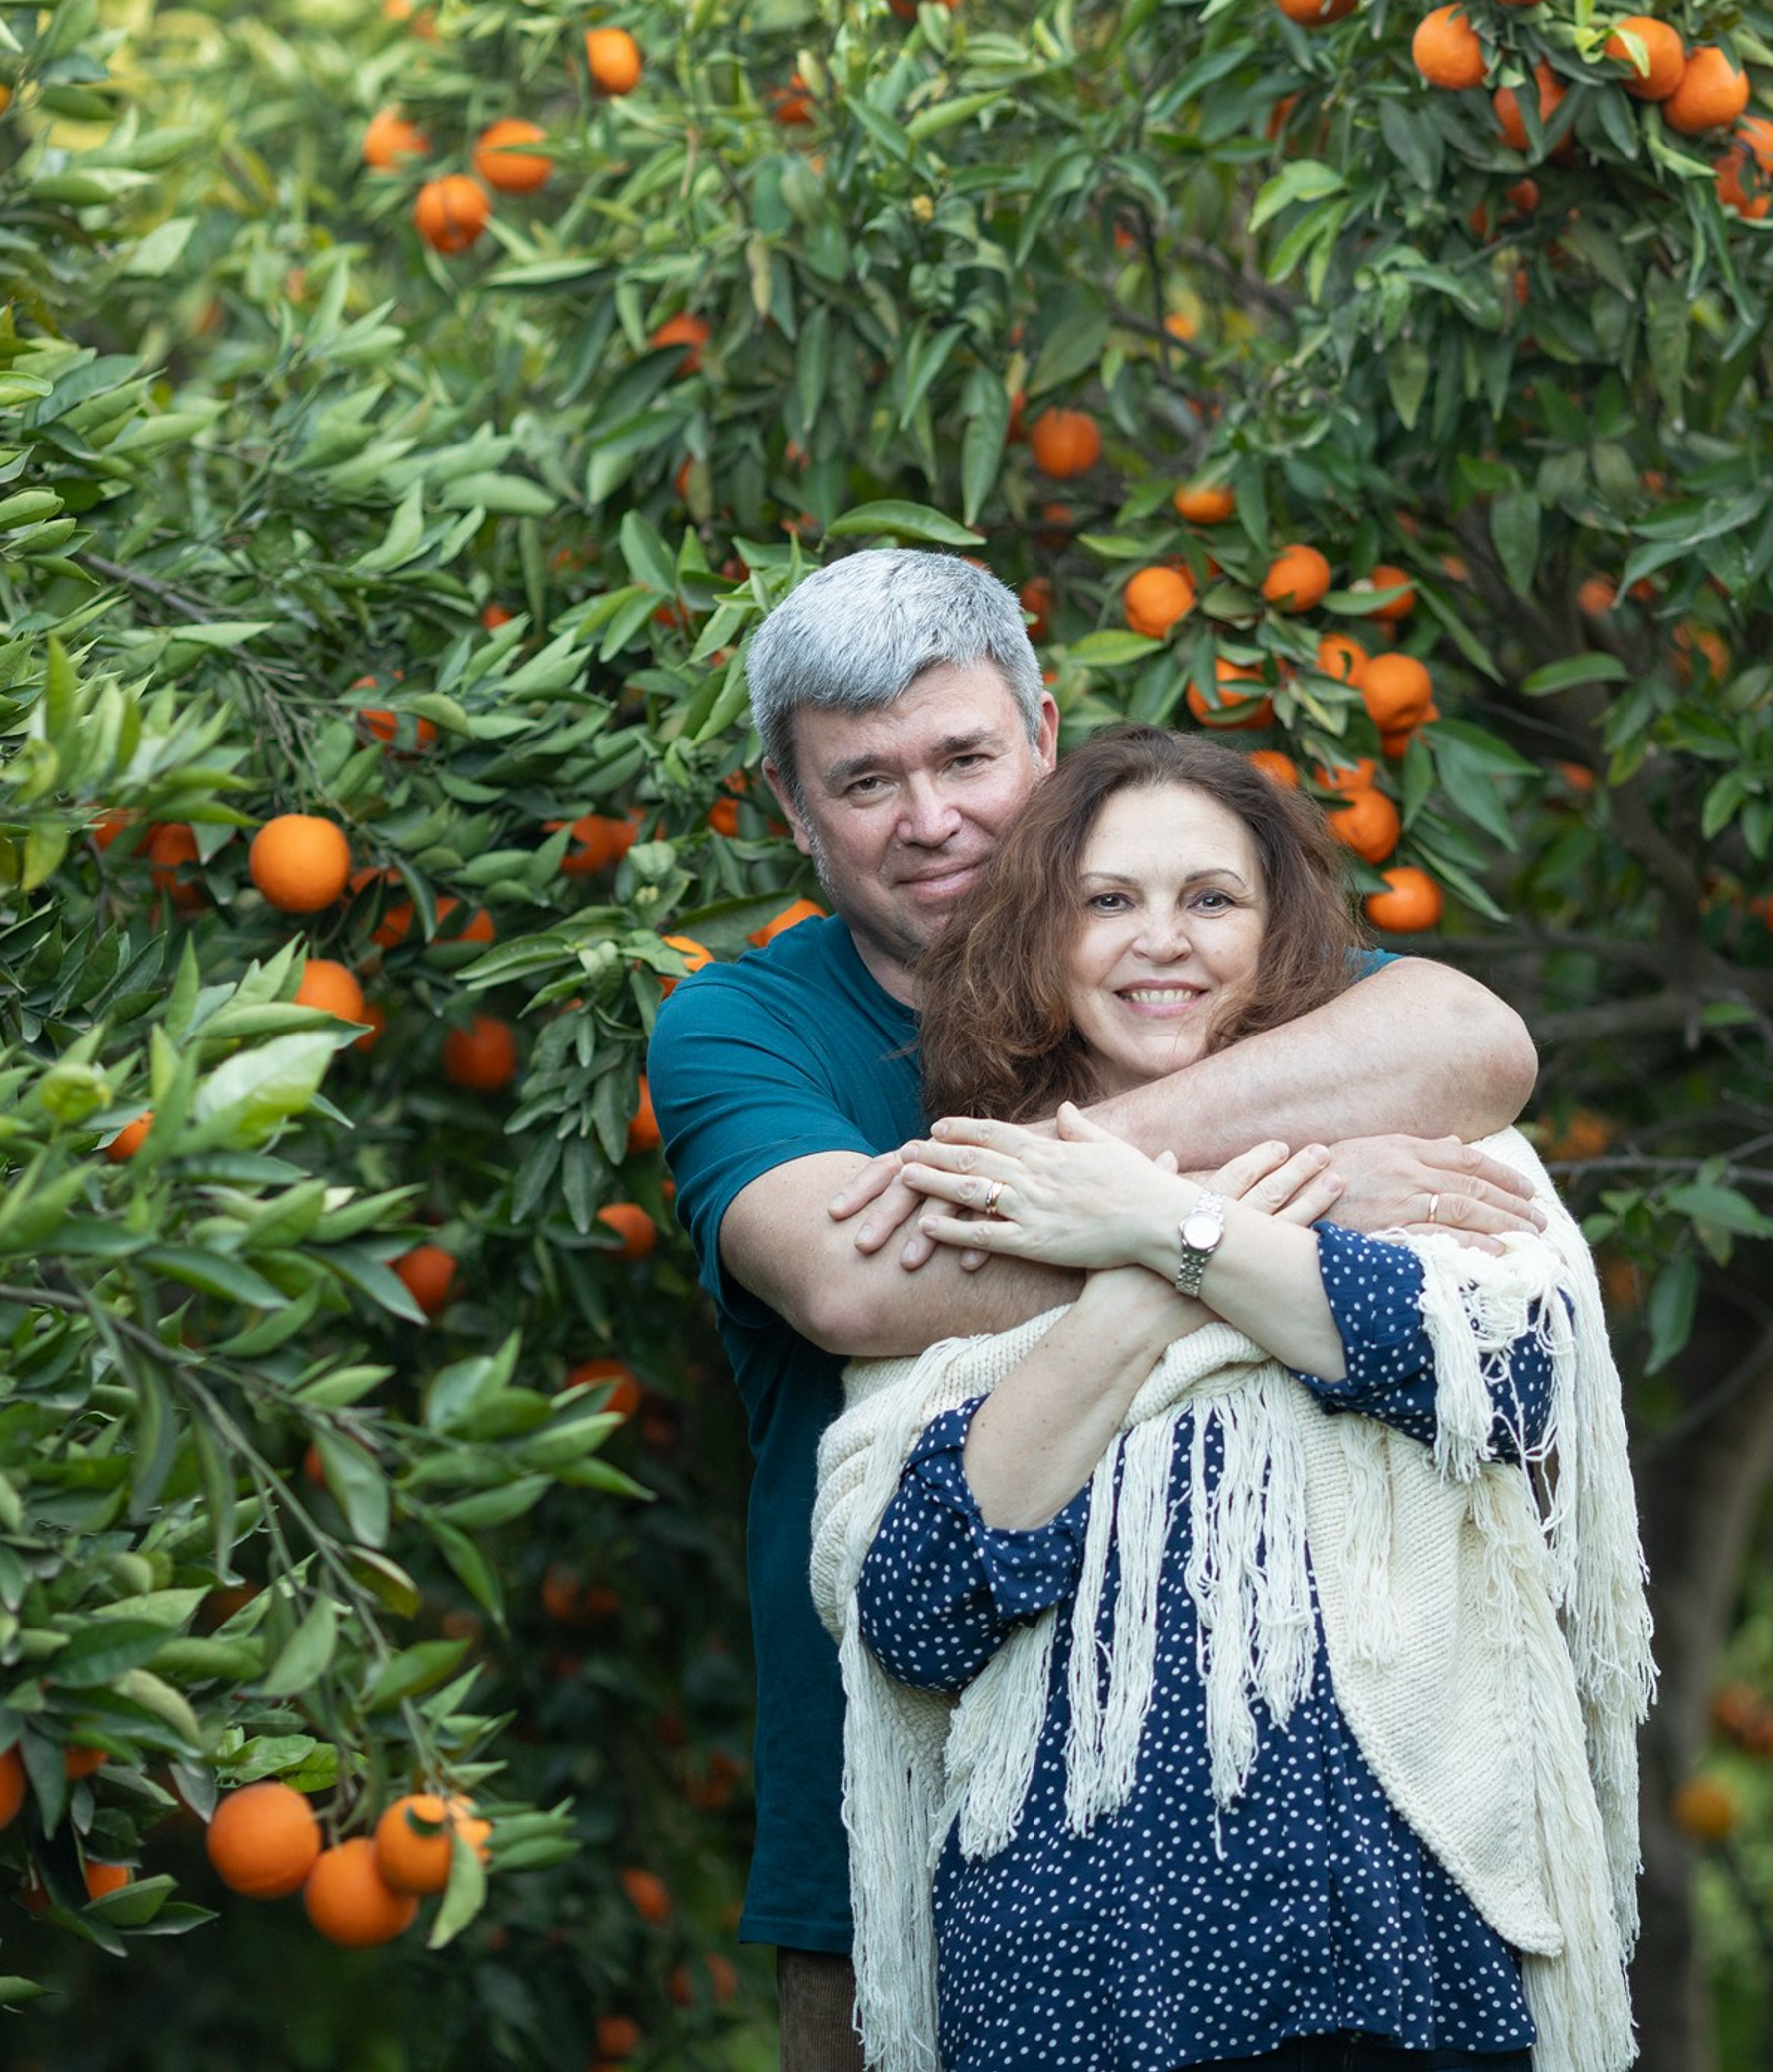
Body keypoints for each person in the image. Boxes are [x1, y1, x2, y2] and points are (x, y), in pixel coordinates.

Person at [649, 551, 1548, 2072]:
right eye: (864, 782)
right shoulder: (745, 1024)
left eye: (965, 757)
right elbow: (858, 1280)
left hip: (1305, 1849)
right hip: (898, 1815)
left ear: (1044, 735)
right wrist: (1259, 1203)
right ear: (793, 811)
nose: (929, 819)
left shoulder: (1215, 968)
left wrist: (1131, 1203)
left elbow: (1476, 1037)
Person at [809, 726, 1652, 2072]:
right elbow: (916, 1602)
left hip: (1386, 1938)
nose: (1164, 942)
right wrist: (1152, 1283)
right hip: (1072, 1973)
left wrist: (1163, 1222)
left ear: (1278, 935)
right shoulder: (981, 1215)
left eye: (1211, 900)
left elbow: (1498, 1378)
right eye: (1109, 902)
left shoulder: (1435, 1162)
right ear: (1041, 931)